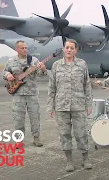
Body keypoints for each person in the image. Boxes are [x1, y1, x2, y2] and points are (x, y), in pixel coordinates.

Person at [47, 39, 93, 171]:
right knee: (64, 134)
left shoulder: (82, 64)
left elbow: (87, 85)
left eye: (72, 48)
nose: (69, 50)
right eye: (67, 47)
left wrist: (88, 104)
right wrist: (51, 106)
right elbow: (52, 87)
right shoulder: (56, 65)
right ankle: (69, 161)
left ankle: (85, 158)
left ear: (76, 50)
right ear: (63, 49)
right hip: (61, 106)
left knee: (81, 133)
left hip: (78, 105)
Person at [2, 40, 46, 147]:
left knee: (35, 117)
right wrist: (8, 75)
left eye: (26, 48)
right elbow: (4, 71)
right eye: (22, 48)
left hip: (32, 94)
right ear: (17, 49)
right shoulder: (11, 60)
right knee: (18, 118)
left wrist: (43, 69)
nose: (25, 49)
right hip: (18, 94)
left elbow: (42, 74)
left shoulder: (34, 60)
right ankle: (19, 140)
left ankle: (36, 138)